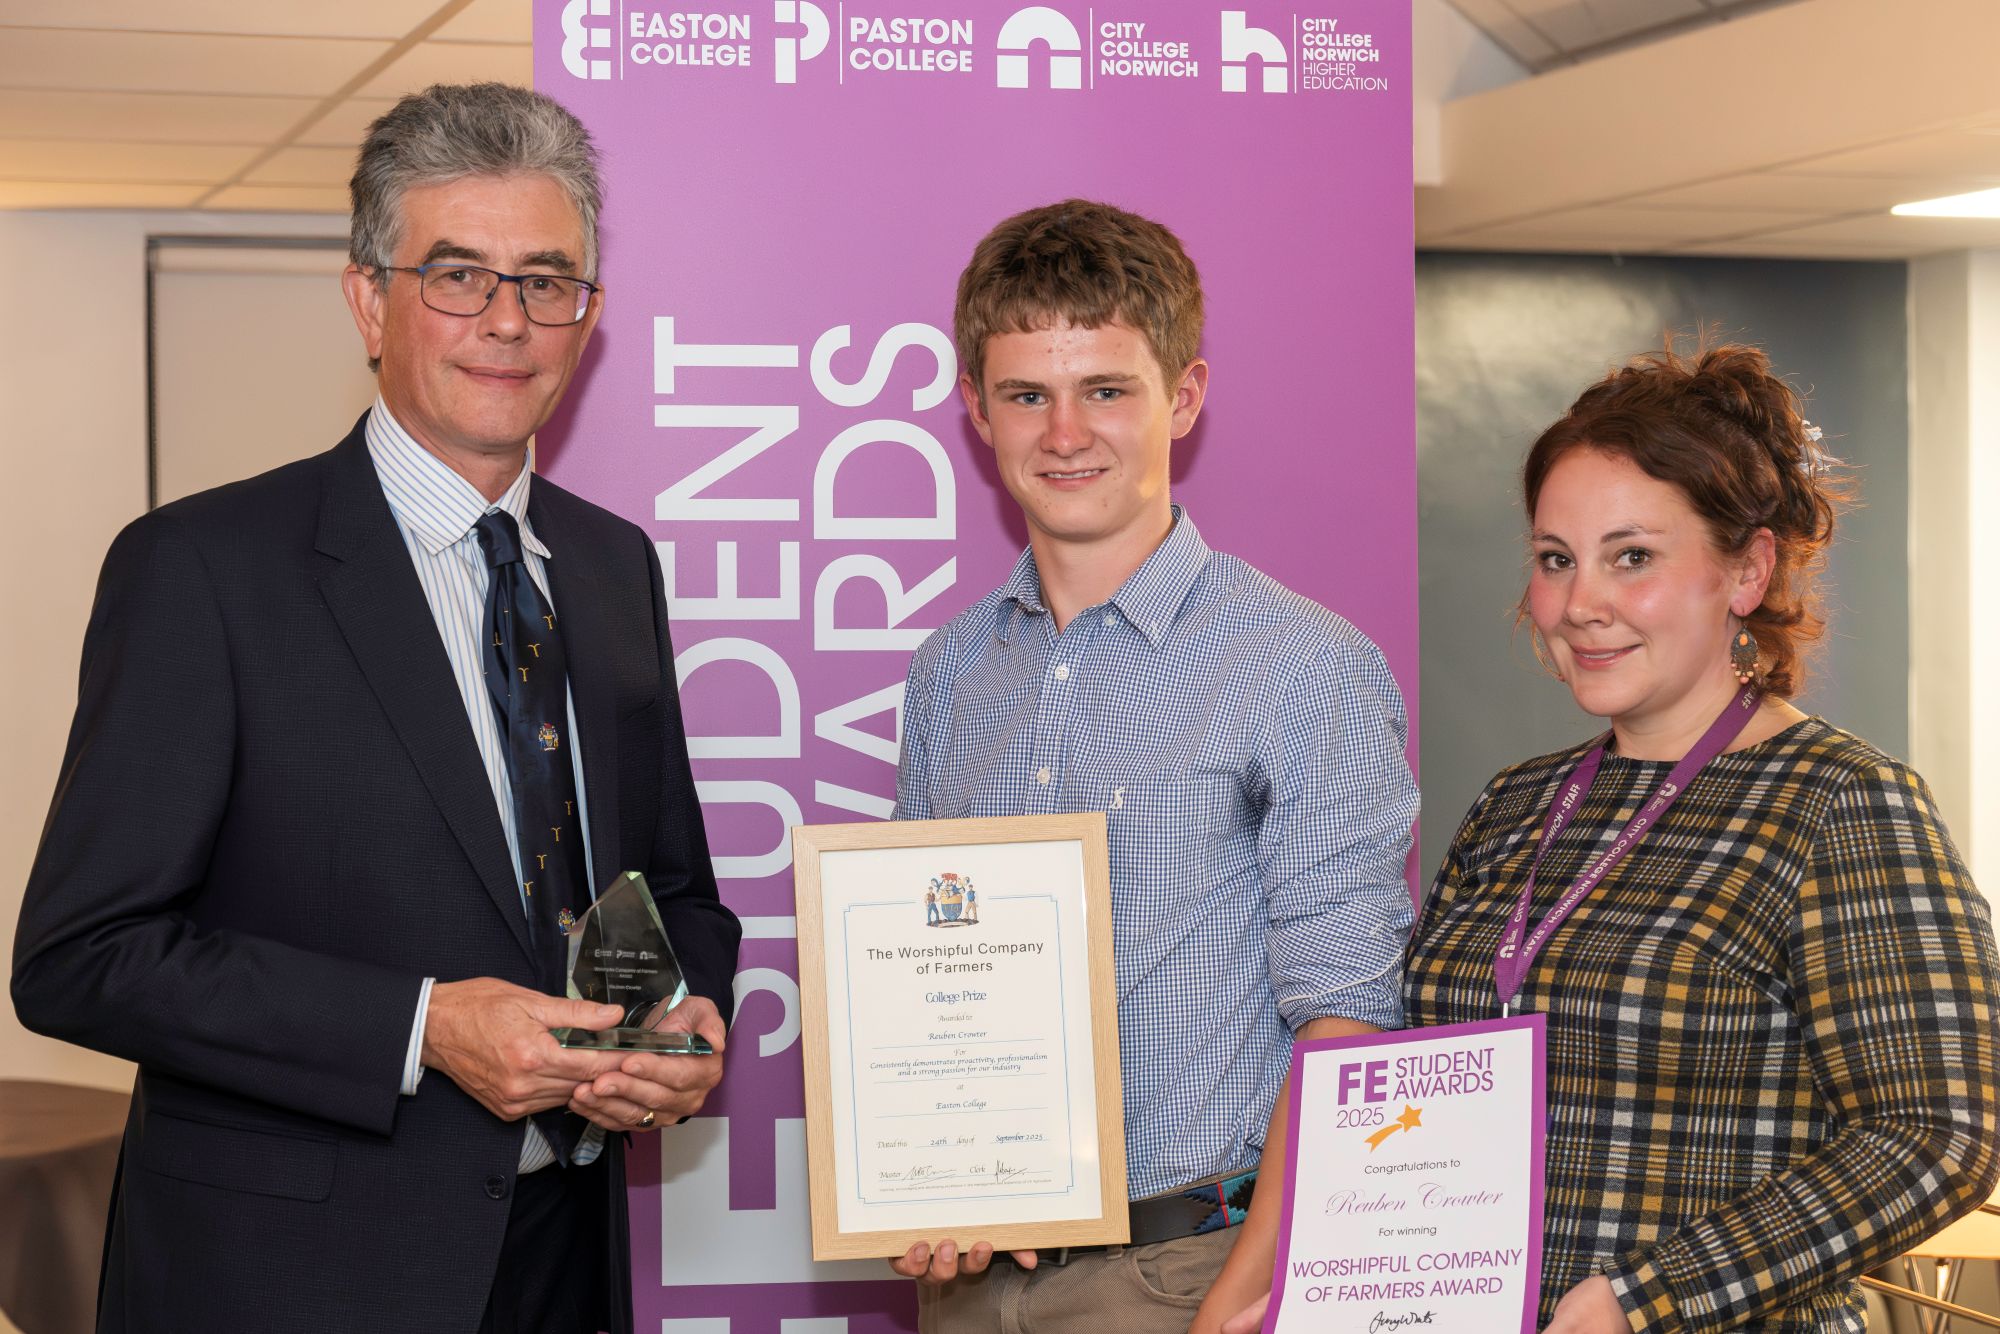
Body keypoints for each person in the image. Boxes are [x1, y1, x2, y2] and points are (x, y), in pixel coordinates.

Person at [11, 83, 740, 1334]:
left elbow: (671, 886)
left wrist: (678, 1023)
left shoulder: (611, 566)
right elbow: (82, 957)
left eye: (545, 281)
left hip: (564, 1257)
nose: (506, 321)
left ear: (586, 314)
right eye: (458, 276)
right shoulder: (202, 569)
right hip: (291, 1278)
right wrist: (423, 1026)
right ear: (366, 299)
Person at [889, 199, 1419, 1334]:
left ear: (1182, 396)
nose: (1063, 432)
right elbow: (925, 989)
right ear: (976, 408)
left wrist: (1245, 1293)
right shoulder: (947, 675)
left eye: (1106, 390)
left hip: (1187, 1276)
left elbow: (1347, 1021)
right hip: (969, 1285)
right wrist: (923, 1180)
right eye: (1025, 395)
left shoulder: (1302, 665)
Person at [1388, 342, 1996, 1332]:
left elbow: (1938, 1135)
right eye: (1555, 559)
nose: (1579, 605)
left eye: (1631, 556)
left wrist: (1646, 1296)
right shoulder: (1515, 804)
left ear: (1746, 570)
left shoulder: (1839, 803)